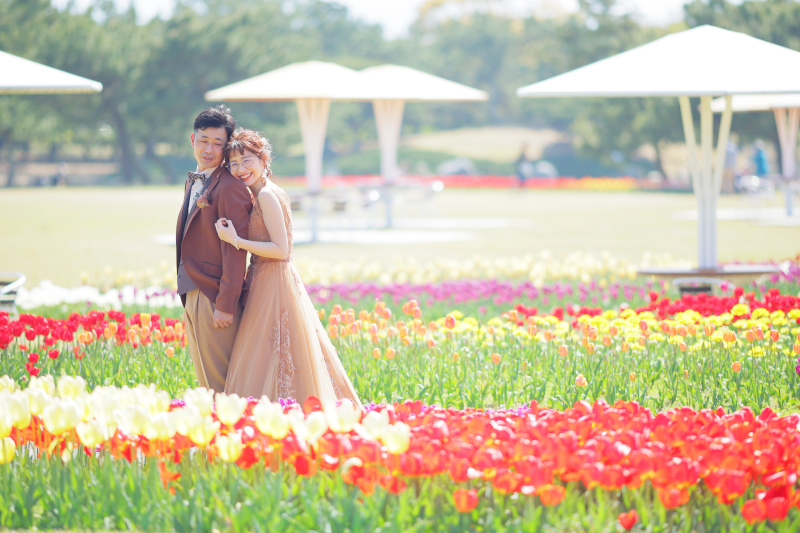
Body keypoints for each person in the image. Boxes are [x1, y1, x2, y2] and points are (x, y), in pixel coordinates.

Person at [215, 129, 361, 407]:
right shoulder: (261, 193)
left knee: (275, 352)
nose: (240, 169)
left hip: (273, 279)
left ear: (263, 159)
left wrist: (236, 241)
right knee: (279, 352)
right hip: (267, 277)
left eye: (247, 161)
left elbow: (282, 250)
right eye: (233, 163)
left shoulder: (268, 195)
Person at [176, 106, 252, 393]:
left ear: (226, 147)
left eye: (218, 143)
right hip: (191, 290)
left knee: (222, 386)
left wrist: (225, 305)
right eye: (204, 140)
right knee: (206, 384)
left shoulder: (229, 187)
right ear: (192, 139)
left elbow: (235, 252)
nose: (209, 148)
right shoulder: (194, 180)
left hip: (213, 297)